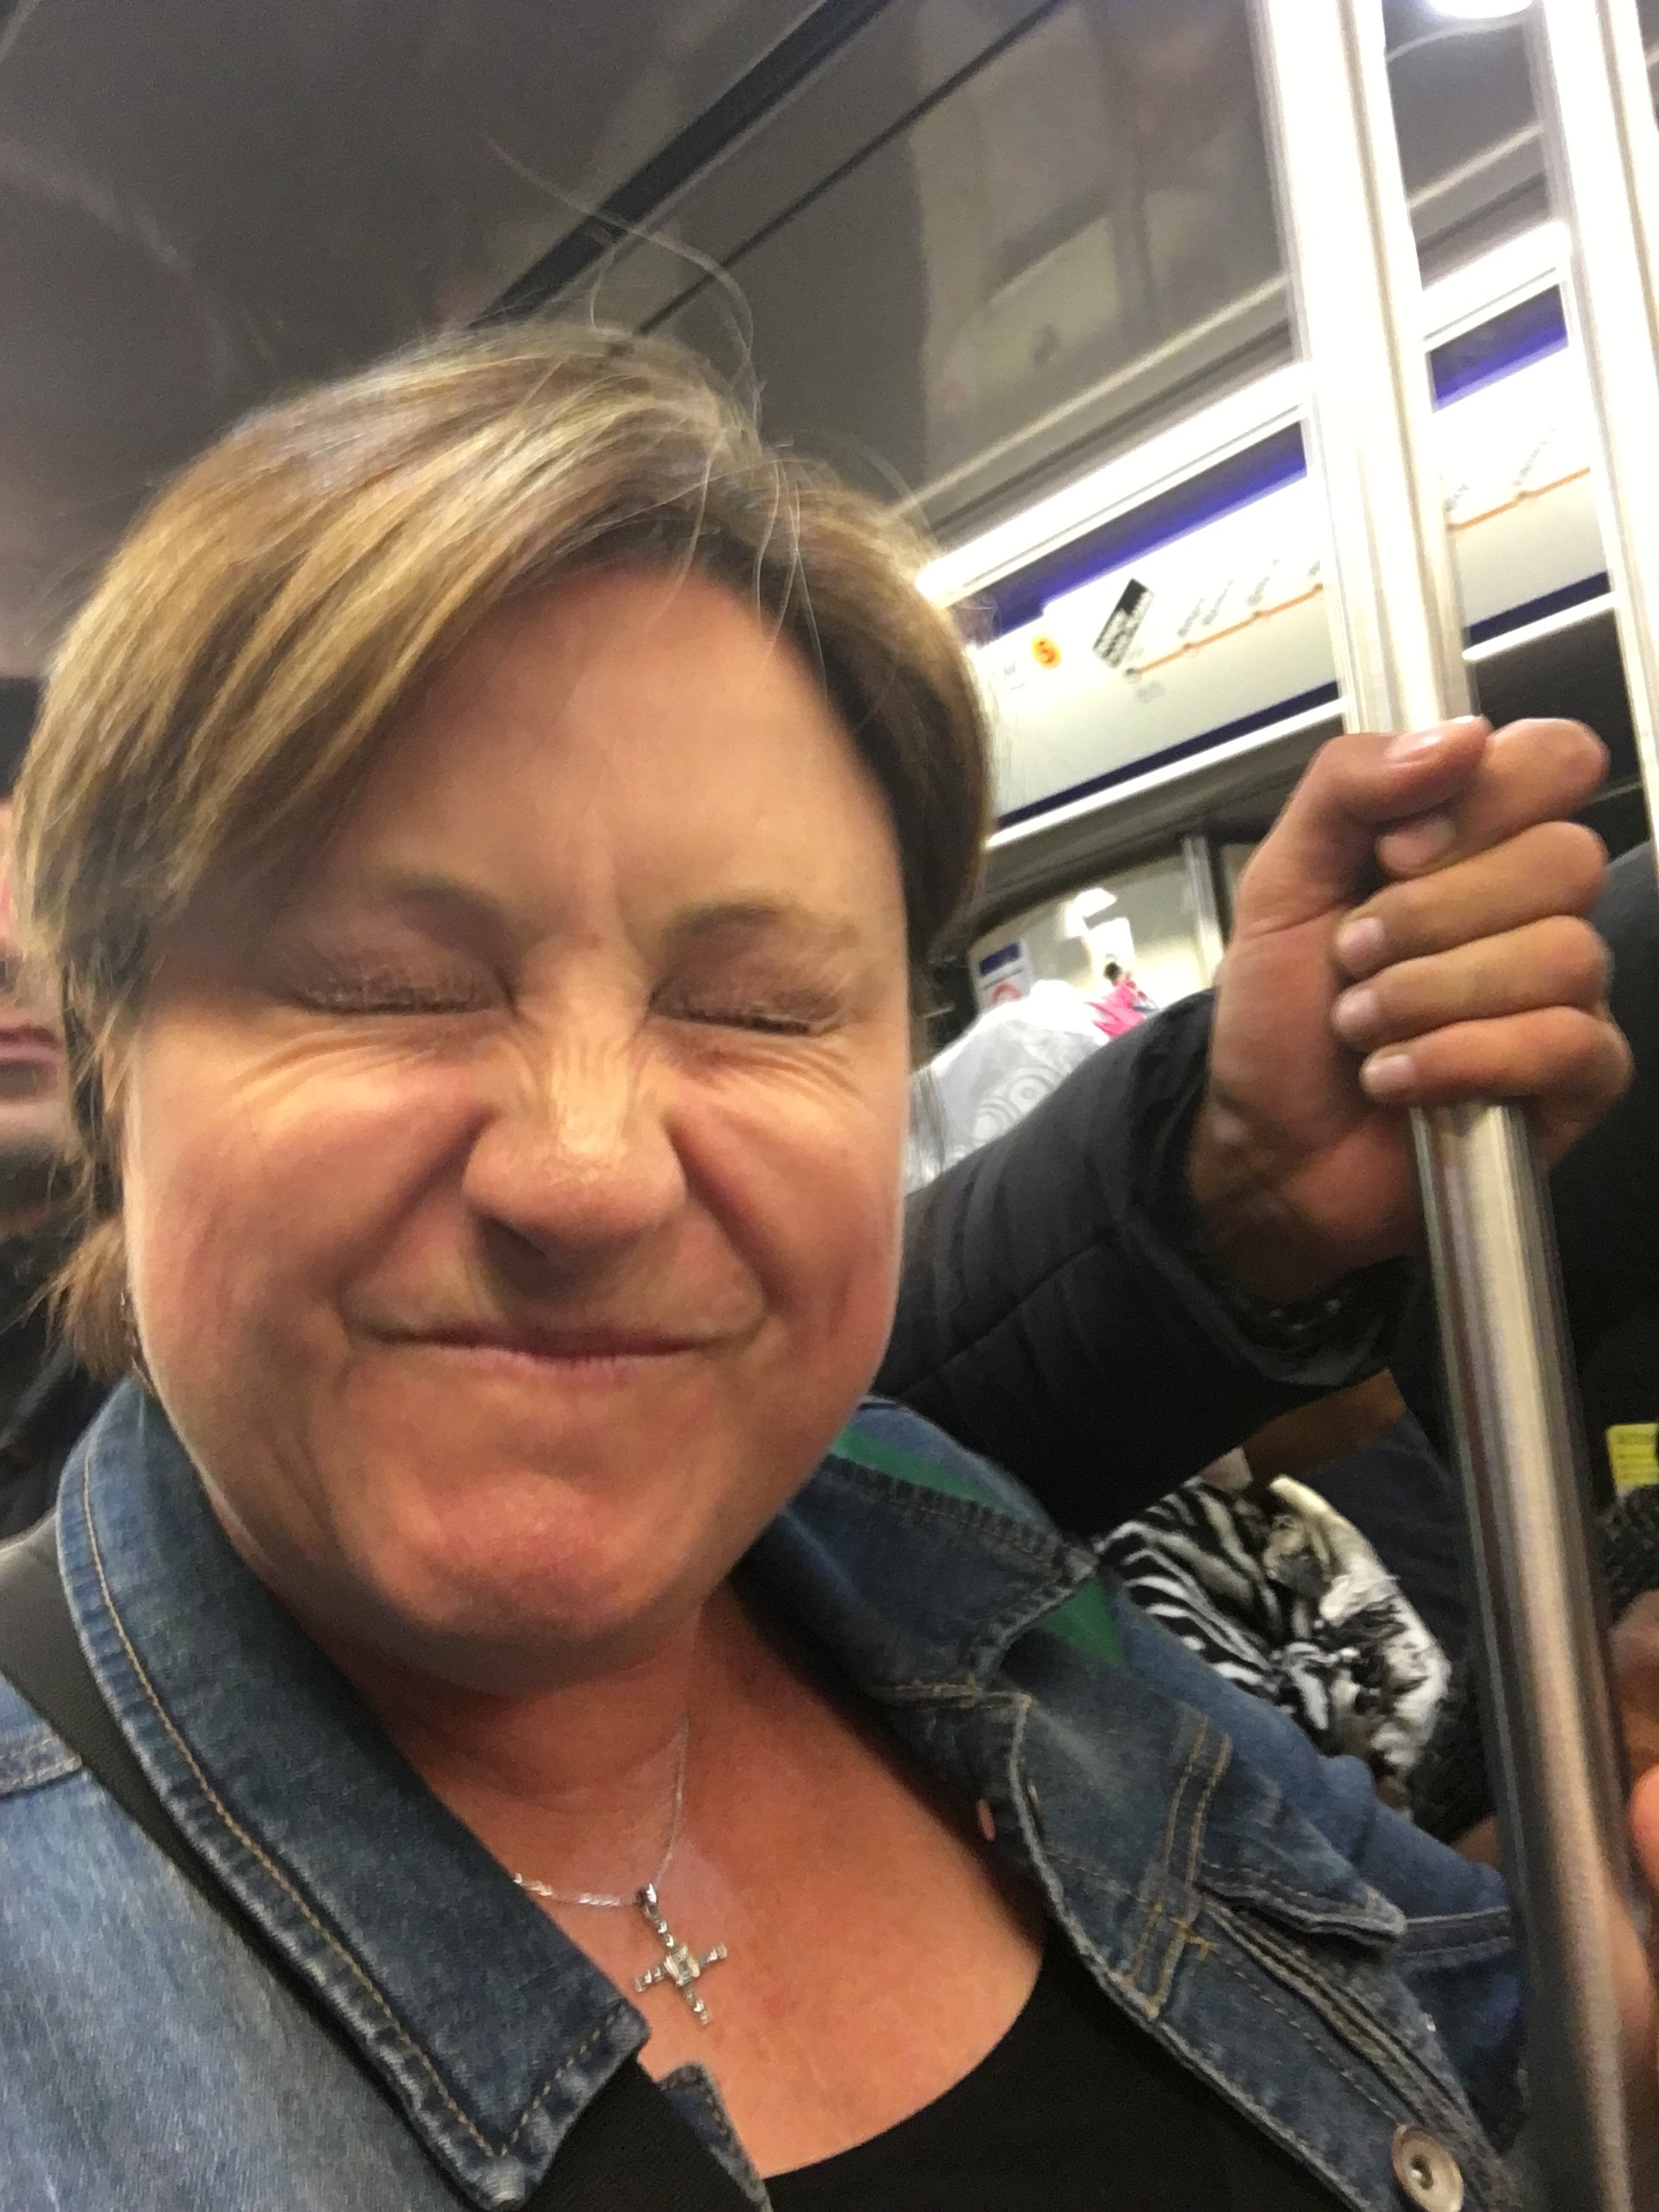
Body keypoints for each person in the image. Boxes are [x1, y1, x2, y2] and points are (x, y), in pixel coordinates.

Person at [0, 325, 1643, 2212]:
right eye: (385, 987)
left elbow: (1483, 2030)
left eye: (763, 1008)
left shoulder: (938, 1551)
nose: (589, 1173)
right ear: (112, 1064)